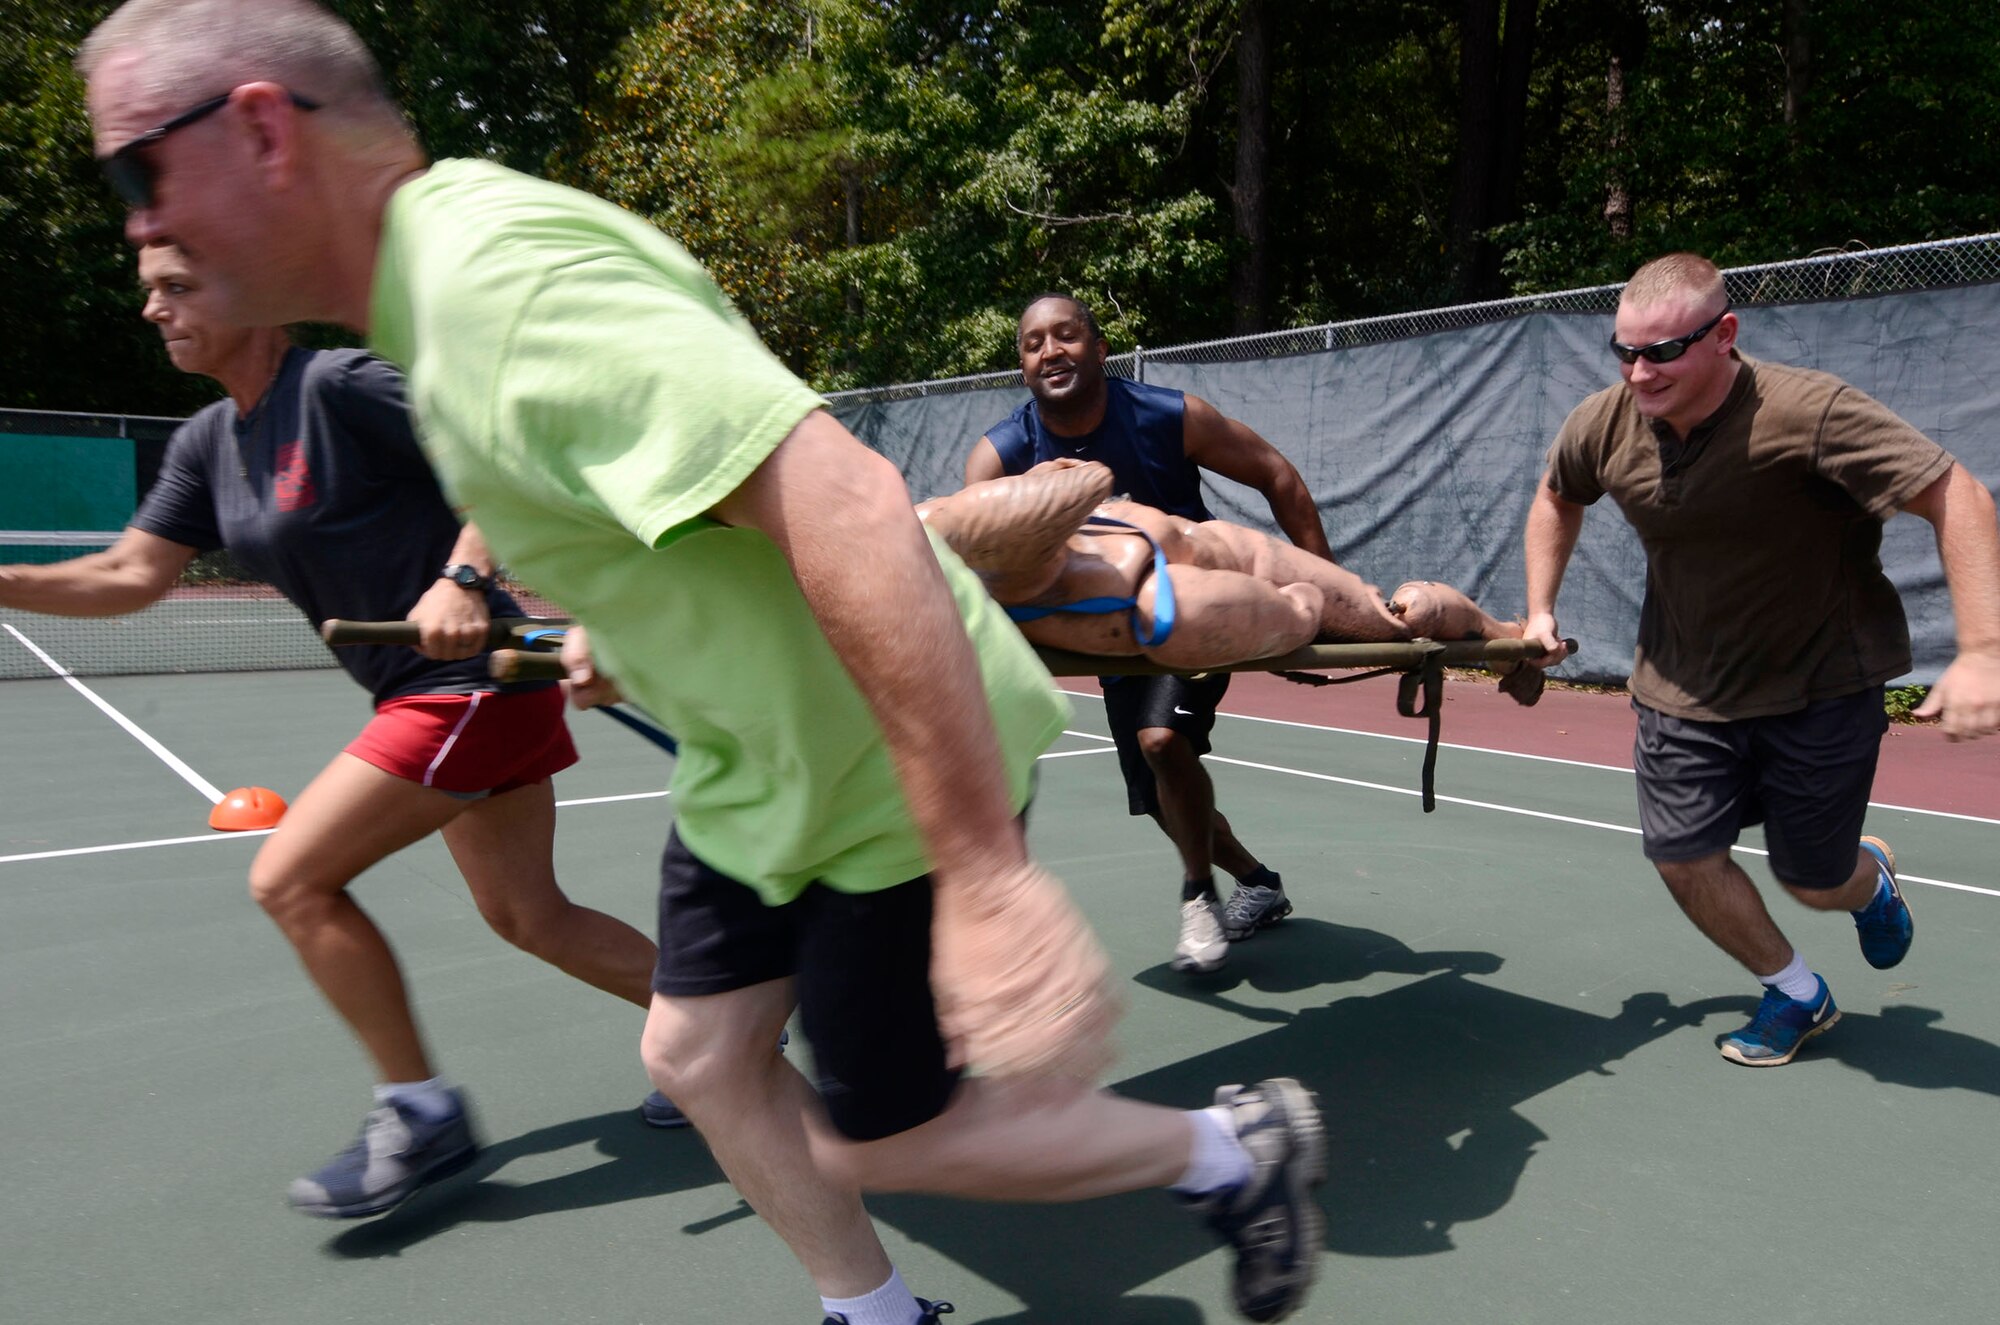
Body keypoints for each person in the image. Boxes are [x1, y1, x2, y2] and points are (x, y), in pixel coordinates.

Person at [78, 5, 1328, 1323]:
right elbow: (659, 503)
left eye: (135, 173)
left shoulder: (497, 291)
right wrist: (631, 626)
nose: (136, 227)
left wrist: (981, 865)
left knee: (896, 1133)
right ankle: (876, 1313)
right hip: (767, 765)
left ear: (263, 129)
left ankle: (1235, 1150)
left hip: (870, 767)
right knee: (696, 1053)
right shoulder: (433, 314)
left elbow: (843, 500)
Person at [0, 241, 662, 1214]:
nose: (154, 309)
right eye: (150, 291)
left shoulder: (342, 387)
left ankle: (419, 1110)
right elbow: (126, 576)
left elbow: (495, 457)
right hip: (430, 697)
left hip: (468, 681)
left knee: (290, 875)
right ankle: (729, 1018)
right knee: (529, 915)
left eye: (178, 286)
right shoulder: (208, 444)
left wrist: (465, 572)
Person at [1522, 251, 2000, 1068]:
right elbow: (1557, 495)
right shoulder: (1603, 422)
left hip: (1819, 686)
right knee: (1680, 855)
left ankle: (1867, 881)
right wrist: (1539, 608)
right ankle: (1796, 991)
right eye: (1625, 352)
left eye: (1663, 351)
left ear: (1724, 334)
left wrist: (1985, 650)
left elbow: (1955, 491)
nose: (1640, 372)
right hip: (1679, 687)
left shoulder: (1808, 412)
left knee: (1811, 879)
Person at [965, 295, 1334, 975]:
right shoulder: (1003, 455)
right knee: (1162, 795)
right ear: (1022, 367)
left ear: (1100, 349)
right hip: (1106, 638)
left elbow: (1276, 474)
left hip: (1197, 613)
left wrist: (1330, 594)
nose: (1051, 351)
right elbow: (974, 557)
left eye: (1067, 336)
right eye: (1033, 343)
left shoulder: (1169, 416)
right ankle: (1257, 880)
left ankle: (1198, 897)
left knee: (1163, 742)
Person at [919, 456, 1539, 681]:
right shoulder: (913, 600)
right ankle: (1512, 646)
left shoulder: (940, 530)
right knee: (1170, 618)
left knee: (1408, 618)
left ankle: (1512, 639)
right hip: (1169, 606)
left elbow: (1087, 481)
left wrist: (1033, 486)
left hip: (1225, 553)